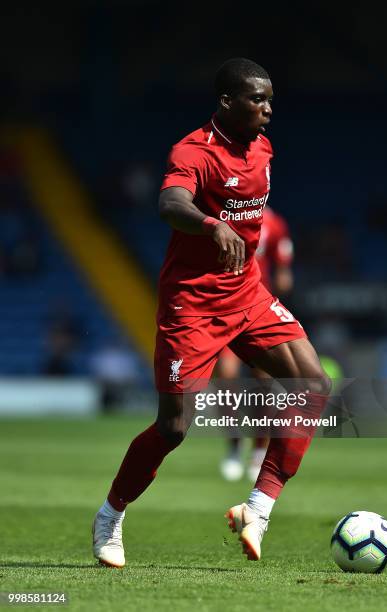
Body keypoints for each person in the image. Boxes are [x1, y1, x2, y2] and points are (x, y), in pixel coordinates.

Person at [92, 58, 330, 567]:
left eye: (270, 99)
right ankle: (111, 514)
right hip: (192, 303)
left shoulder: (263, 147)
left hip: (246, 292)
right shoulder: (192, 150)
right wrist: (207, 223)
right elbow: (170, 202)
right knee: (173, 428)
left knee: (311, 386)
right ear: (227, 102)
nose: (268, 109)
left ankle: (257, 509)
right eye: (257, 99)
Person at [217, 206, 294, 482]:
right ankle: (234, 445)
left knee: (263, 383)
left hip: (258, 310)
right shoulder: (226, 216)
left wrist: (281, 277)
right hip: (226, 309)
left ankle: (259, 450)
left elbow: (284, 270)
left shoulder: (274, 222)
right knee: (226, 376)